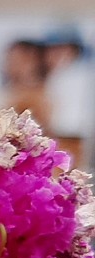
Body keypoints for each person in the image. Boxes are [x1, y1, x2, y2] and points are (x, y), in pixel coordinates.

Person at [44, 28, 95, 168]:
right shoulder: (50, 77)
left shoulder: (81, 77)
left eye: (63, 49)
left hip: (75, 140)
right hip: (52, 140)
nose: (56, 55)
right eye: (52, 50)